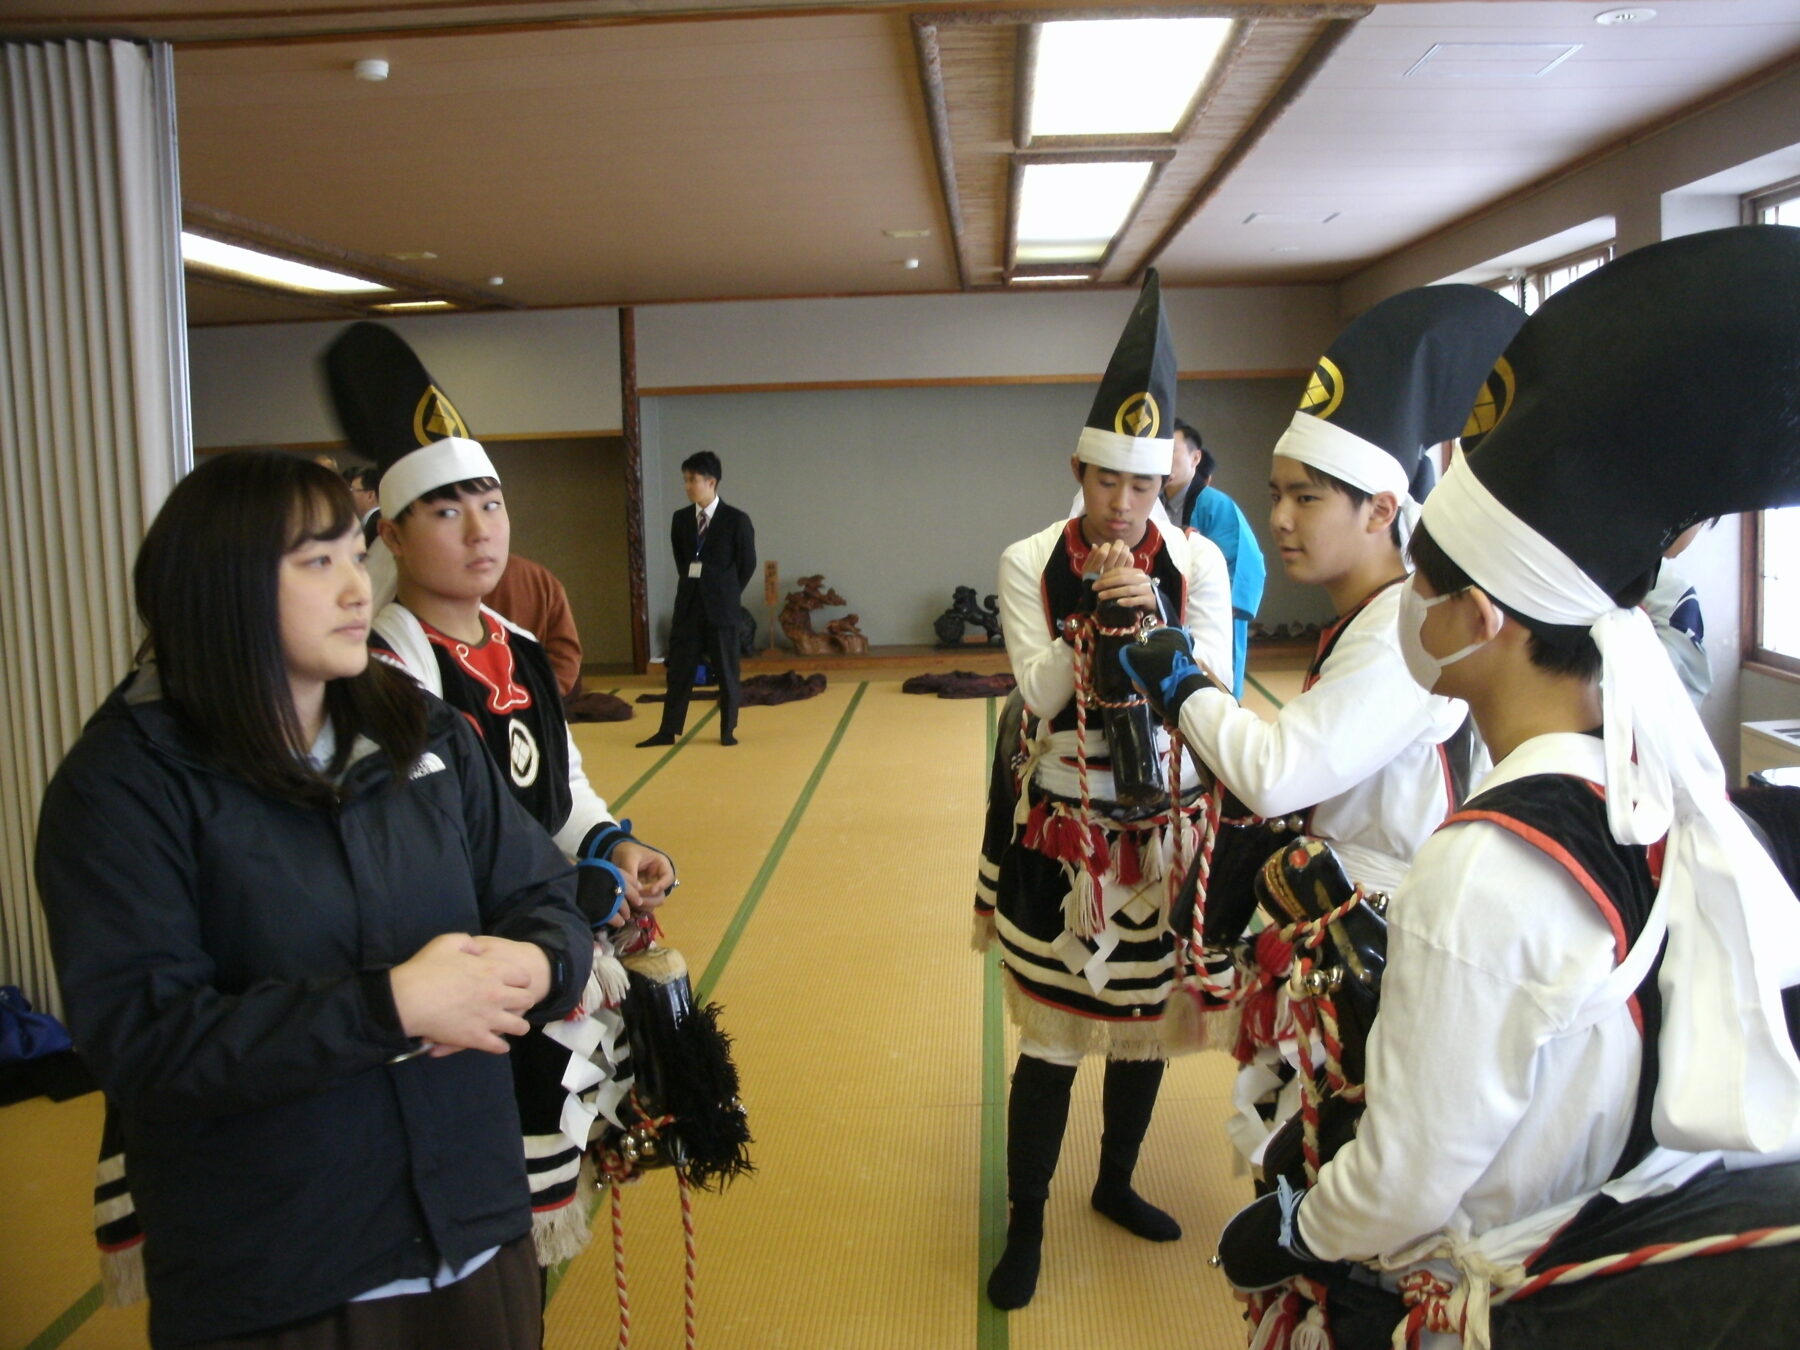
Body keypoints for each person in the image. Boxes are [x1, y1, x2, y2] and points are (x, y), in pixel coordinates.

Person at [1209, 226, 1800, 1349]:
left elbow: (1410, 1176)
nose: (1405, 612)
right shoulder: (1651, 787)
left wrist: (1298, 1225)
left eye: (1420, 586)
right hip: (1610, 1236)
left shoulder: (1485, 866)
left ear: (1477, 622)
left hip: (1509, 1288)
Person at [35, 451, 590, 1349]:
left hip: (476, 1231)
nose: (355, 590)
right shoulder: (125, 786)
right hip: (281, 1276)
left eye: (351, 553)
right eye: (314, 562)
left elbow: (542, 892)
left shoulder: (419, 730)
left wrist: (538, 962)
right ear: (222, 589)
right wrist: (392, 1006)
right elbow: (149, 1042)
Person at [1122, 285, 1525, 1172]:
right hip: (1337, 906)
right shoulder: (1379, 611)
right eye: (1277, 495)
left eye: (1307, 500)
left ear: (1382, 509)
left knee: (1329, 1158)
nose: (1279, 519)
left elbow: (1274, 770)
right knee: (1294, 1129)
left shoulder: (1401, 631)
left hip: (1384, 926)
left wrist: (1181, 681)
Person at [323, 320, 676, 1268]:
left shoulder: (518, 646)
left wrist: (612, 845)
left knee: (556, 1174)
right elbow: (411, 852)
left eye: (490, 501)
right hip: (458, 965)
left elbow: (558, 789)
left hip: (547, 940)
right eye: (445, 510)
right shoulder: (380, 669)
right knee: (478, 1201)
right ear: (390, 532)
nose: (480, 529)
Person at [976, 271, 1235, 1311]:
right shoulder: (1027, 559)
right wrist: (1086, 614)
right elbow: (1033, 696)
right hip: (1063, 829)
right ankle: (1025, 1223)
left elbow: (1209, 692)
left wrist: (1156, 629)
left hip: (1165, 827)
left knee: (1146, 1021)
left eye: (1144, 488)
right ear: (1077, 468)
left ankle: (1117, 1183)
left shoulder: (1202, 560)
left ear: (1167, 480)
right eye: (1107, 484)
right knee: (1049, 1033)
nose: (1125, 508)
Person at [639, 450, 757, 747]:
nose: (687, 485)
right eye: (685, 480)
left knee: (727, 673)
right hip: (689, 607)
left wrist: (726, 591)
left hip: (722, 609)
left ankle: (727, 729)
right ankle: (668, 730)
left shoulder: (736, 520)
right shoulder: (680, 520)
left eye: (692, 479)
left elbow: (747, 564)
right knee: (679, 671)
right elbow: (683, 563)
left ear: (711, 481)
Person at [1166, 418, 1265, 697]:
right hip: (1170, 615)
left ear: (1195, 457)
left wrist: (1218, 613)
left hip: (1212, 615)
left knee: (1215, 690)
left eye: (1171, 451)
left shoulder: (1216, 505)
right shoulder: (1154, 504)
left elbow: (1245, 563)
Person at [487, 551, 584, 697]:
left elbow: (565, 656)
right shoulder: (540, 578)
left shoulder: (539, 580)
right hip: (532, 694)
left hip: (532, 693)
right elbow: (566, 656)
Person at [344, 463, 380, 542]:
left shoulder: (376, 526)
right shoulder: (371, 523)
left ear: (370, 495)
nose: (349, 495)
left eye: (352, 490)